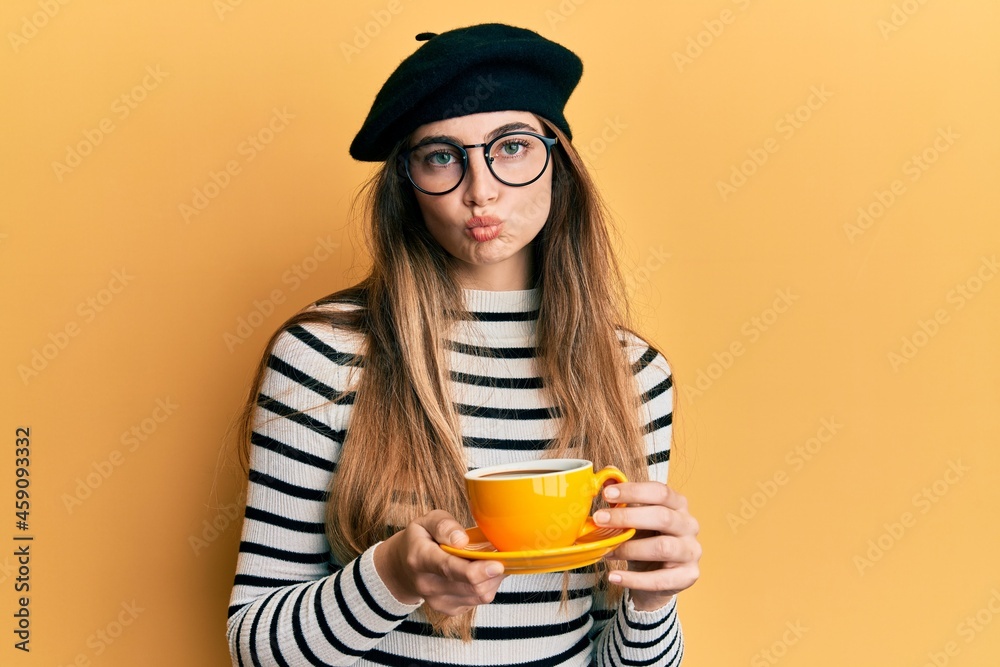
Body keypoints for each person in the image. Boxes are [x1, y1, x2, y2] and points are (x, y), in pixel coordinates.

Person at [227, 22, 701, 667]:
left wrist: (652, 601)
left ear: (558, 163)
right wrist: (391, 577)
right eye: (442, 156)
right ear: (408, 184)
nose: (481, 190)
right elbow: (254, 646)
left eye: (510, 147)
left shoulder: (633, 373)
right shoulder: (326, 354)